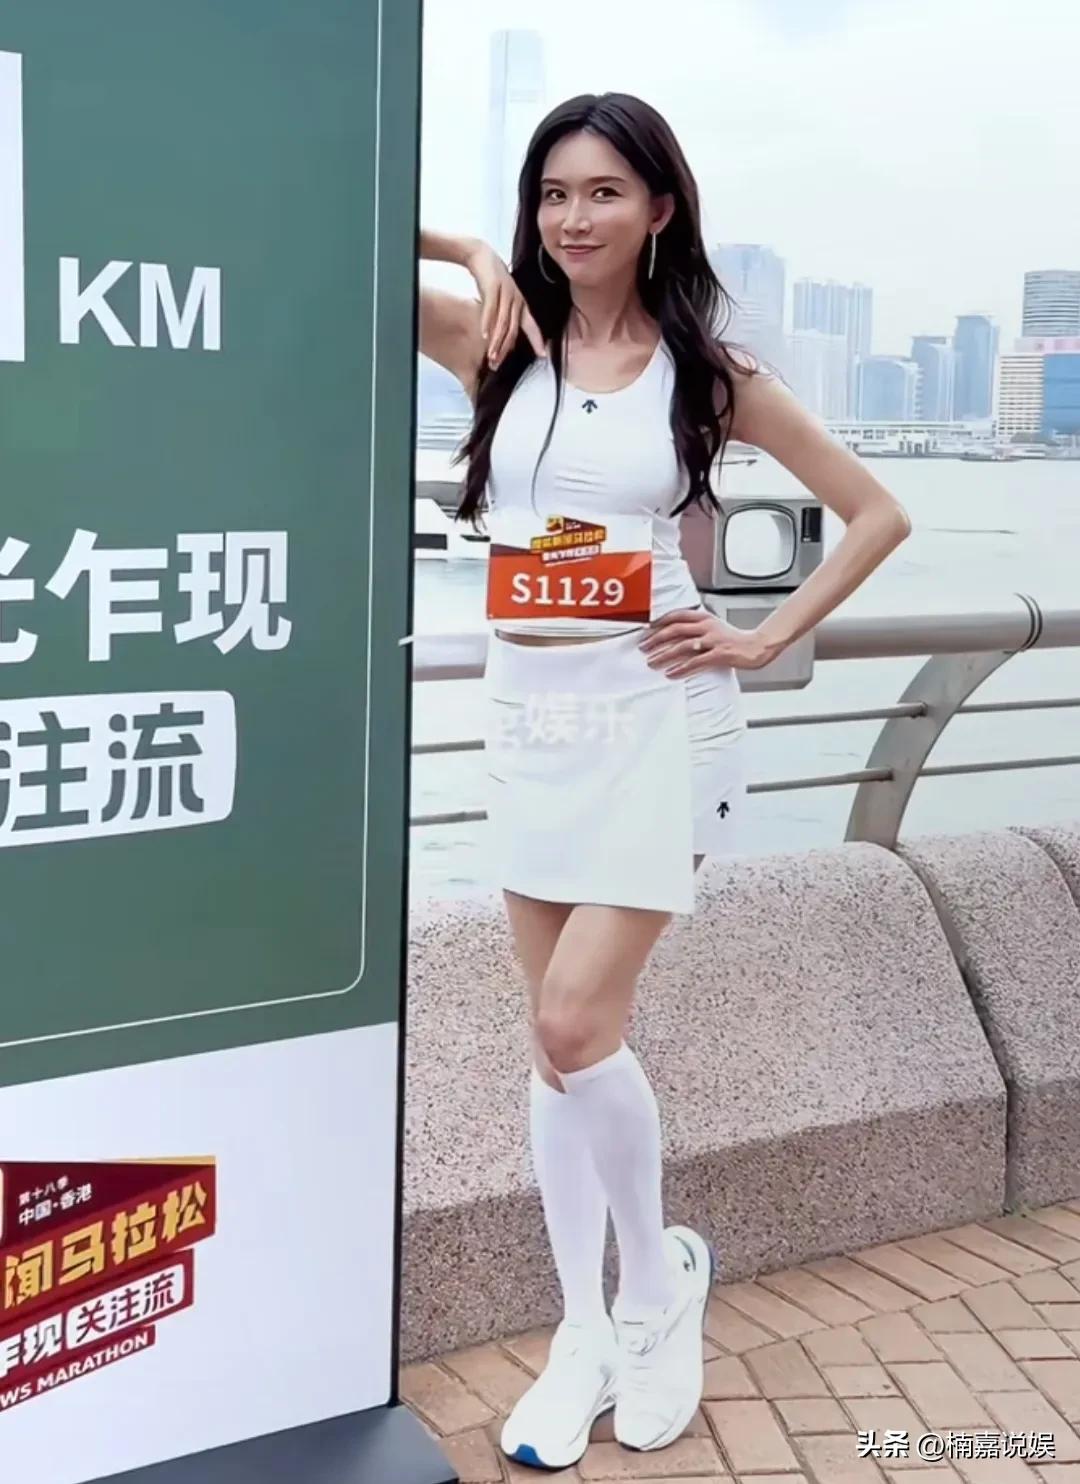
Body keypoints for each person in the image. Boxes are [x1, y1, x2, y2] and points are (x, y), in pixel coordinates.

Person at [418, 92, 910, 1470]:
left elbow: (877, 512)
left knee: (575, 1023)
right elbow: (325, 237)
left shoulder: (707, 375)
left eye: (605, 192)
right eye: (553, 193)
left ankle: (654, 1287)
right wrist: (466, 248)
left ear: (660, 210)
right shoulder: (494, 337)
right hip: (532, 722)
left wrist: (759, 635)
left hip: (659, 722)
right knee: (552, 1048)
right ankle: (584, 1329)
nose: (574, 218)